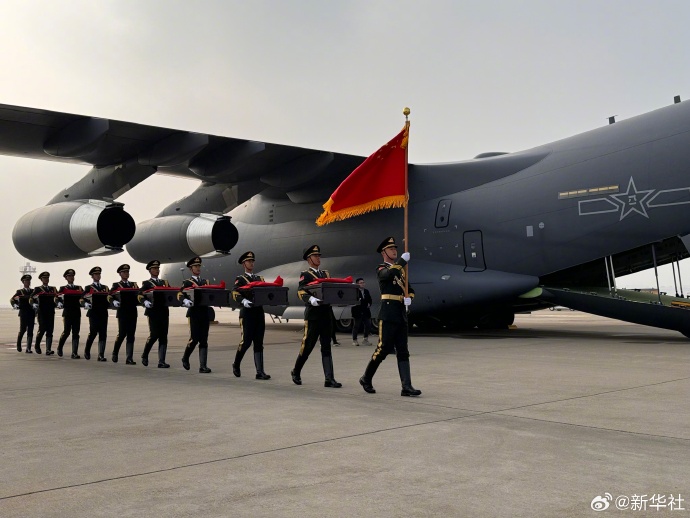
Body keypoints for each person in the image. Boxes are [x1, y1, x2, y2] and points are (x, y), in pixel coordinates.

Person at [359, 237, 422, 397]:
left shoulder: (400, 271)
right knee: (383, 349)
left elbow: (410, 288)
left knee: (403, 351)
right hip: (388, 314)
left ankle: (406, 386)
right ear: (384, 252)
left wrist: (409, 298)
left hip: (400, 314)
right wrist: (402, 261)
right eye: (391, 248)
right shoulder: (381, 268)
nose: (395, 250)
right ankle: (366, 378)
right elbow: (388, 274)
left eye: (395, 248)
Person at [291, 244, 341, 388]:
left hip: (326, 314)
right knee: (308, 345)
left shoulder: (325, 274)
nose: (318, 258)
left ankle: (329, 378)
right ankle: (296, 371)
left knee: (326, 346)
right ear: (309, 259)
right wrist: (311, 299)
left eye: (319, 255)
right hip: (313, 315)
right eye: (315, 256)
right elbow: (301, 291)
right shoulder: (305, 274)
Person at [231, 251, 270, 380]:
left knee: (259, 342)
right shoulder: (240, 279)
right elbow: (235, 293)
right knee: (246, 341)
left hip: (258, 313)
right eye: (249, 261)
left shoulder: (260, 279)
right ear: (244, 264)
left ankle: (260, 371)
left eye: (252, 261)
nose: (251, 263)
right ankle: (236, 364)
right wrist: (243, 301)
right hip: (247, 313)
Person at [178, 257, 213, 373]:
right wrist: (185, 301)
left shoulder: (205, 282)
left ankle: (203, 366)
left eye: (199, 266)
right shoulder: (187, 282)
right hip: (194, 313)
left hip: (204, 312)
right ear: (190, 268)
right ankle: (185, 357)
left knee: (204, 339)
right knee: (194, 338)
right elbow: (180, 294)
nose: (198, 268)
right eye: (195, 266)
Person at [139, 260, 171, 368]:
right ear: (150, 270)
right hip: (153, 312)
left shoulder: (164, 283)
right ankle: (145, 354)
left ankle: (161, 361)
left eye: (158, 268)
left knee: (163, 337)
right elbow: (140, 295)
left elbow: (170, 293)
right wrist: (145, 302)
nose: (157, 270)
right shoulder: (147, 283)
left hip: (163, 312)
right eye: (154, 269)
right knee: (154, 335)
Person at [111, 264, 139, 364]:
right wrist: (114, 301)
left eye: (127, 272)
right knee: (122, 334)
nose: (126, 274)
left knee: (131, 335)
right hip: (122, 312)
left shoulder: (134, 285)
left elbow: (139, 295)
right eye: (124, 272)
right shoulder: (116, 285)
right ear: (120, 274)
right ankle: (115, 352)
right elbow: (111, 296)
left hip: (132, 312)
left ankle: (129, 358)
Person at [83, 266, 111, 361]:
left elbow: (109, 298)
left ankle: (101, 355)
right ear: (92, 276)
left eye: (99, 274)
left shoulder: (105, 287)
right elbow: (82, 298)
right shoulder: (88, 287)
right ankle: (87, 350)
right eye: (96, 274)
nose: (98, 276)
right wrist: (85, 303)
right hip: (93, 313)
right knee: (93, 333)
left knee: (103, 334)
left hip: (103, 313)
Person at [57, 269, 83, 359]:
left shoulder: (79, 288)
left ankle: (74, 353)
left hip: (76, 313)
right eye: (69, 276)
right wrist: (59, 303)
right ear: (66, 278)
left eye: (72, 276)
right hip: (67, 313)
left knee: (76, 333)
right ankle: (60, 348)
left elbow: (83, 297)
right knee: (66, 332)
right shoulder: (63, 288)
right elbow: (57, 298)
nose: (71, 277)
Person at [31, 272, 58, 355]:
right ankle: (37, 345)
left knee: (50, 330)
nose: (46, 279)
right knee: (42, 329)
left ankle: (48, 349)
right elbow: (31, 298)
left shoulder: (53, 289)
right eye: (44, 278)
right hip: (42, 312)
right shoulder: (38, 289)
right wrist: (33, 304)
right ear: (41, 279)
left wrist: (59, 302)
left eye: (47, 278)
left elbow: (57, 297)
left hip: (50, 312)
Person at [11, 274, 35, 353]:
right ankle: (18, 344)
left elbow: (36, 300)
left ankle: (28, 348)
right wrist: (15, 305)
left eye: (29, 281)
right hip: (23, 313)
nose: (28, 282)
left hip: (31, 313)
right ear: (23, 282)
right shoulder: (20, 291)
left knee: (30, 330)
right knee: (23, 330)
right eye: (26, 281)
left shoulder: (33, 291)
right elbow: (12, 299)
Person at [351, 277, 373, 346]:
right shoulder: (355, 291)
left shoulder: (366, 291)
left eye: (363, 282)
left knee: (368, 325)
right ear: (357, 284)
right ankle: (354, 340)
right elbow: (354, 301)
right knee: (356, 326)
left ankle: (365, 339)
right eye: (361, 283)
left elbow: (369, 299)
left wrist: (369, 304)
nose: (363, 284)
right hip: (358, 311)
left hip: (366, 311)